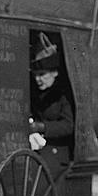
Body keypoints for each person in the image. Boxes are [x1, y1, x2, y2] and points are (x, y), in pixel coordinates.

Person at [28, 34, 74, 172]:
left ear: (54, 73)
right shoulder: (35, 91)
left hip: (57, 151)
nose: (38, 79)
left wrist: (41, 127)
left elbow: (68, 125)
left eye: (42, 74)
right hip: (37, 147)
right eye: (35, 74)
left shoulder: (64, 95)